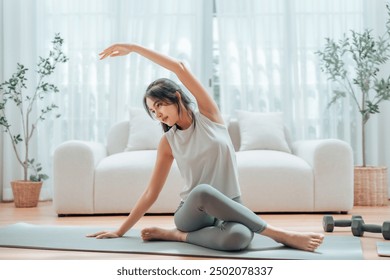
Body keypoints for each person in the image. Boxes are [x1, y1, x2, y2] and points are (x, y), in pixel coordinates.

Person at [87, 43, 324, 252]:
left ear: (177, 97)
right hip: (194, 213)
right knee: (202, 191)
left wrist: (134, 48)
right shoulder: (168, 142)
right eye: (152, 110)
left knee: (239, 238)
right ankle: (284, 235)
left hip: (230, 203)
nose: (157, 113)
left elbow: (179, 67)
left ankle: (177, 236)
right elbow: (151, 193)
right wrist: (120, 230)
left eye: (159, 105)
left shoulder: (210, 117)